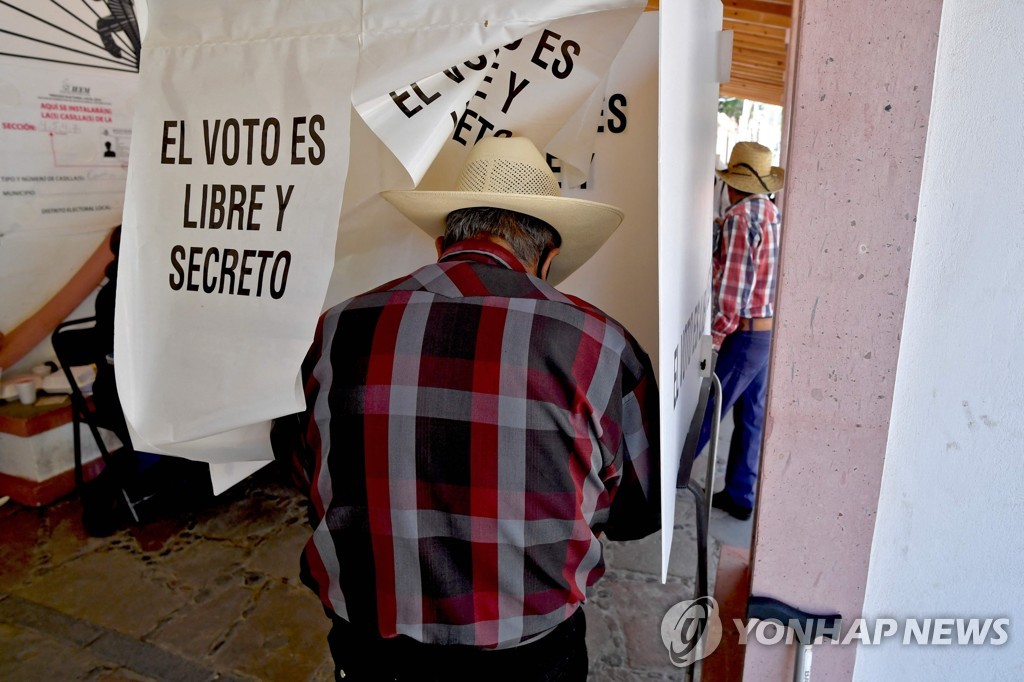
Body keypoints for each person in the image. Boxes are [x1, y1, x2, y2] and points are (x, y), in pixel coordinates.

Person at [283, 136, 660, 681]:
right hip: (526, 657)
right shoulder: (600, 345)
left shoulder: (340, 325)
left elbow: (306, 468)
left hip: (371, 650)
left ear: (442, 246)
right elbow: (635, 510)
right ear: (548, 259)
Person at [697, 141, 783, 521]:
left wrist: (713, 339)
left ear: (731, 184)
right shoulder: (771, 213)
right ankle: (740, 495)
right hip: (767, 332)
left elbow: (732, 294)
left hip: (745, 334)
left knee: (708, 410)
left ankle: (661, 489)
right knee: (751, 416)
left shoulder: (739, 218)